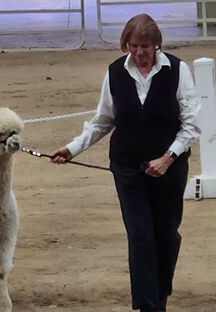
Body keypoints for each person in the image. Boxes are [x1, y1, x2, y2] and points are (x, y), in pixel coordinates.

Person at [50, 13, 201, 312]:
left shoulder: (178, 71)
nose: (139, 53)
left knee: (165, 235)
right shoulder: (115, 72)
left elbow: (191, 125)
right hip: (128, 167)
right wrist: (72, 148)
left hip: (169, 169)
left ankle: (159, 296)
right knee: (140, 235)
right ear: (126, 45)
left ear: (157, 44)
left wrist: (168, 158)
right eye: (133, 46)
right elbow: (103, 120)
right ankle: (149, 307)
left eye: (145, 46)